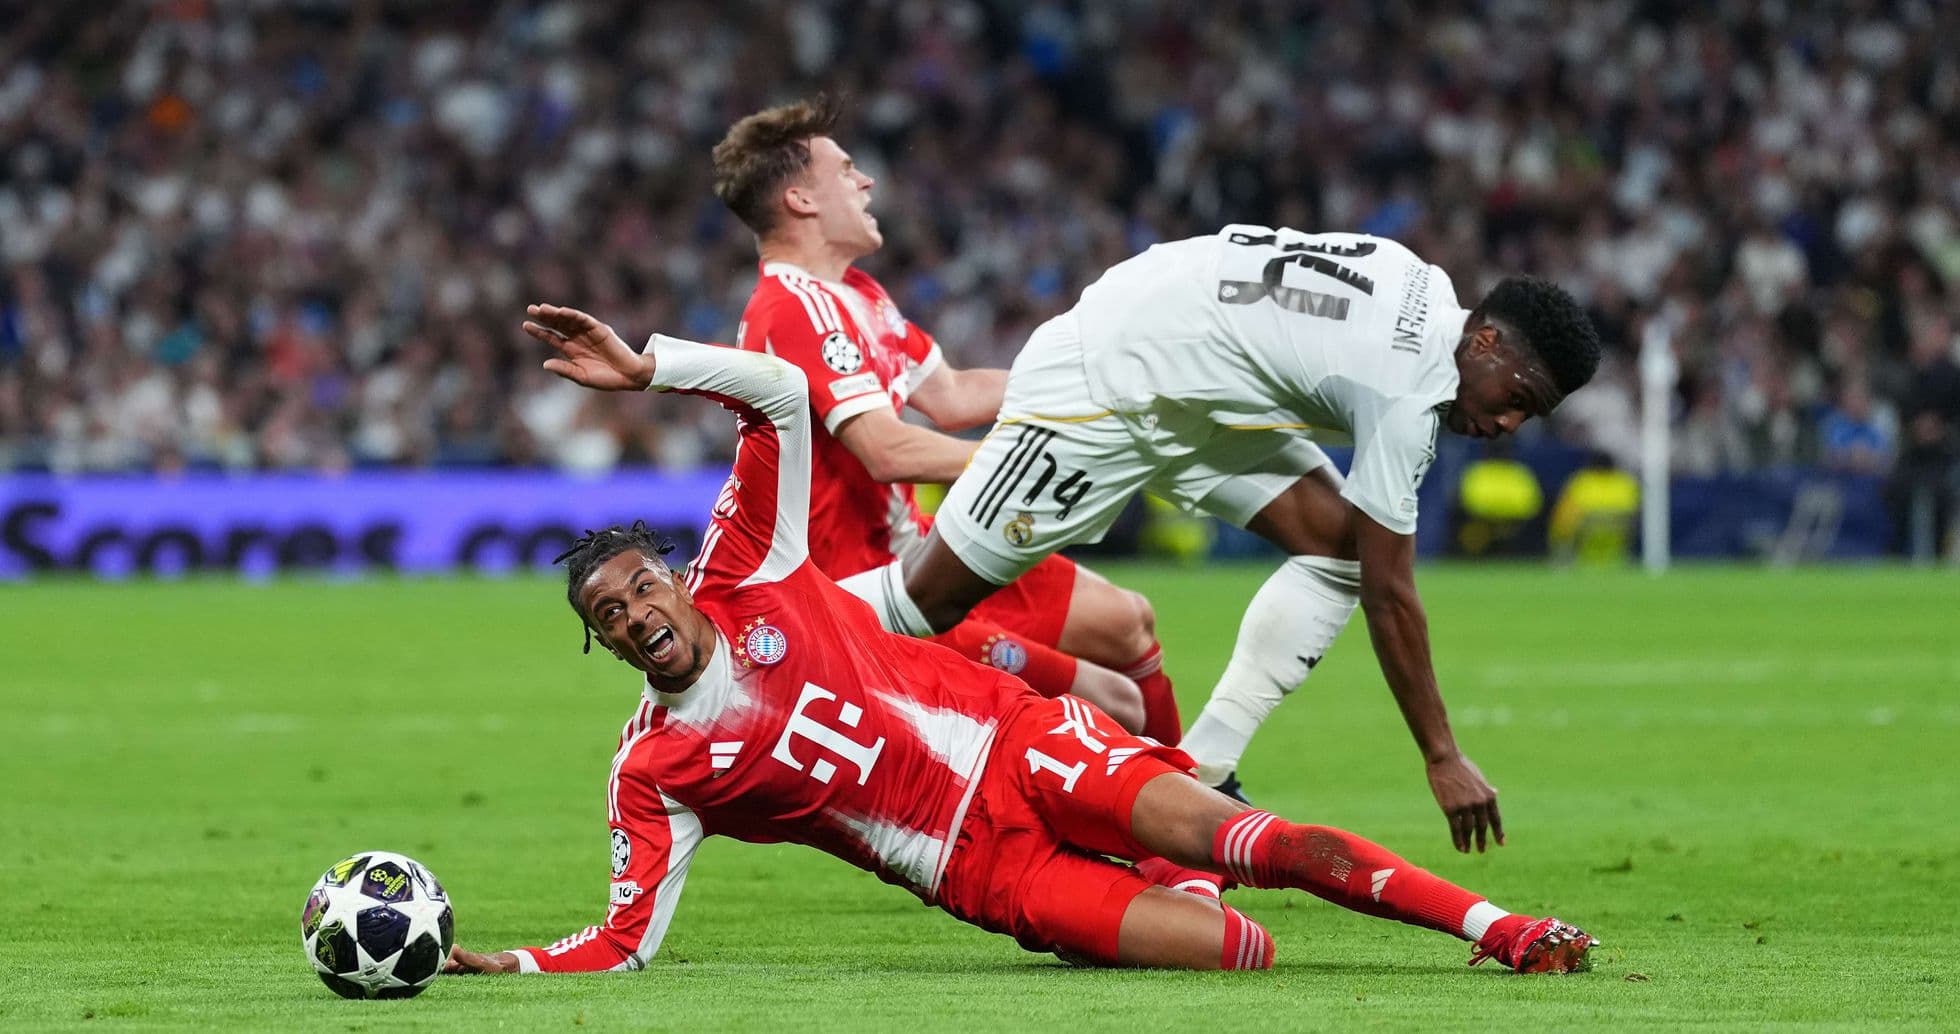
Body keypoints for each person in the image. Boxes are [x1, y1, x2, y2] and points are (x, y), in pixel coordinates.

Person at [441, 303, 1595, 976]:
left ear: (674, 577)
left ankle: (1502, 927)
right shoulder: (652, 769)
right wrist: (516, 964)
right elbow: (628, 937)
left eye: (641, 588)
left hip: (1022, 746)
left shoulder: (752, 568)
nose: (638, 616)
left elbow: (786, 394)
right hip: (983, 871)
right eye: (611, 618)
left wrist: (654, 367)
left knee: (1259, 843)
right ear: (605, 644)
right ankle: (1163, 879)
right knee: (1239, 950)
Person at [840, 226, 1601, 850]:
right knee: (926, 600)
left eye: (1529, 417)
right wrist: (1442, 756)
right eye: (1517, 399)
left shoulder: (1427, 285)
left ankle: (1201, 770)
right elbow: (1392, 595)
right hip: (1106, 386)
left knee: (1336, 547)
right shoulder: (1407, 391)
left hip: (1194, 387)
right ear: (1488, 340)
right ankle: (749, 623)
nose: (1506, 426)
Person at [706, 97, 1180, 741]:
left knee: (1127, 620)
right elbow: (885, 449)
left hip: (919, 543)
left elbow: (954, 394)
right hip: (862, 589)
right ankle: (1176, 822)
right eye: (844, 170)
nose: (865, 181)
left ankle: (1196, 806)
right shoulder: (789, 309)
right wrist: (1027, 460)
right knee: (1115, 705)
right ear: (801, 200)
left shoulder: (859, 295)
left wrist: (1099, 382)